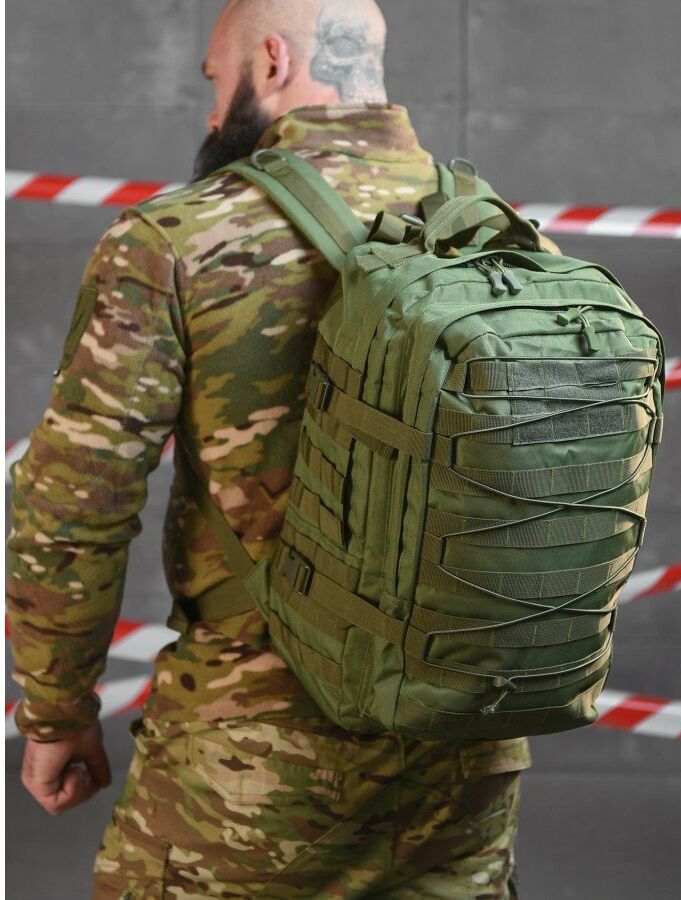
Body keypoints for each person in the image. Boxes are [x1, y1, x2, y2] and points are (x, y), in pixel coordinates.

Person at [6, 1, 532, 896]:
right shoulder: (504, 239)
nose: (213, 114)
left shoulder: (179, 242)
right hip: (468, 763)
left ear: (275, 63)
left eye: (217, 81)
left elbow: (72, 508)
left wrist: (56, 712)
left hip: (248, 774)